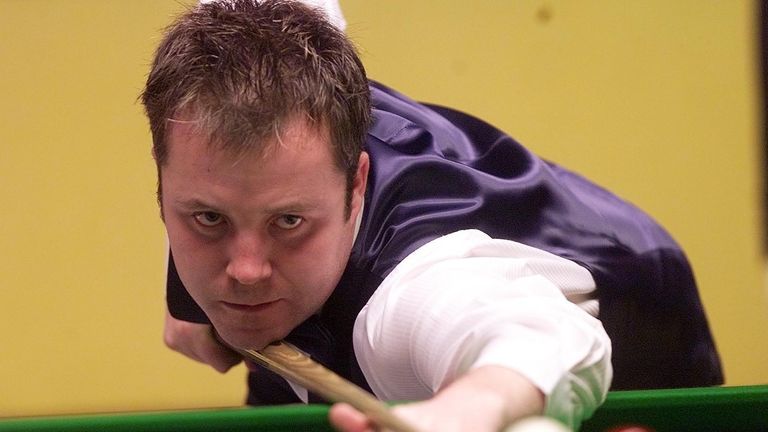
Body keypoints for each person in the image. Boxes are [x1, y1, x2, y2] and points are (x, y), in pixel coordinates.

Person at [140, 1, 723, 430]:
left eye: (288, 222)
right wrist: (188, 287)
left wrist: (465, 410)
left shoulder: (415, 292)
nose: (244, 271)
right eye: (208, 219)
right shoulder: (265, 61)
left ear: (356, 186)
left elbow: (531, 335)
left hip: (638, 350)